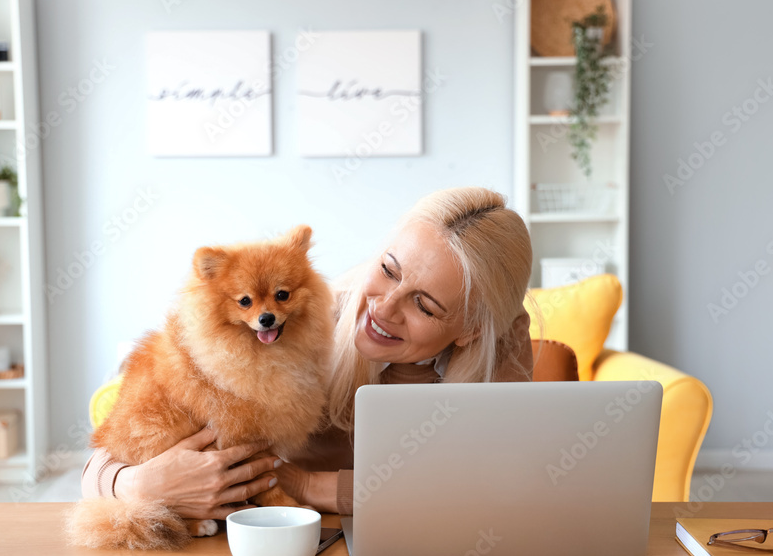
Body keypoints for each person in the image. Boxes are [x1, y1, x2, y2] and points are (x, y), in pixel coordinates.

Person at [81, 186, 536, 519]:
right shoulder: (312, 318)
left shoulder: (500, 347)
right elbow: (101, 462)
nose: (382, 306)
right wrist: (141, 484)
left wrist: (304, 483)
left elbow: (489, 490)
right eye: (388, 270)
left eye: (424, 304)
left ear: (472, 329)